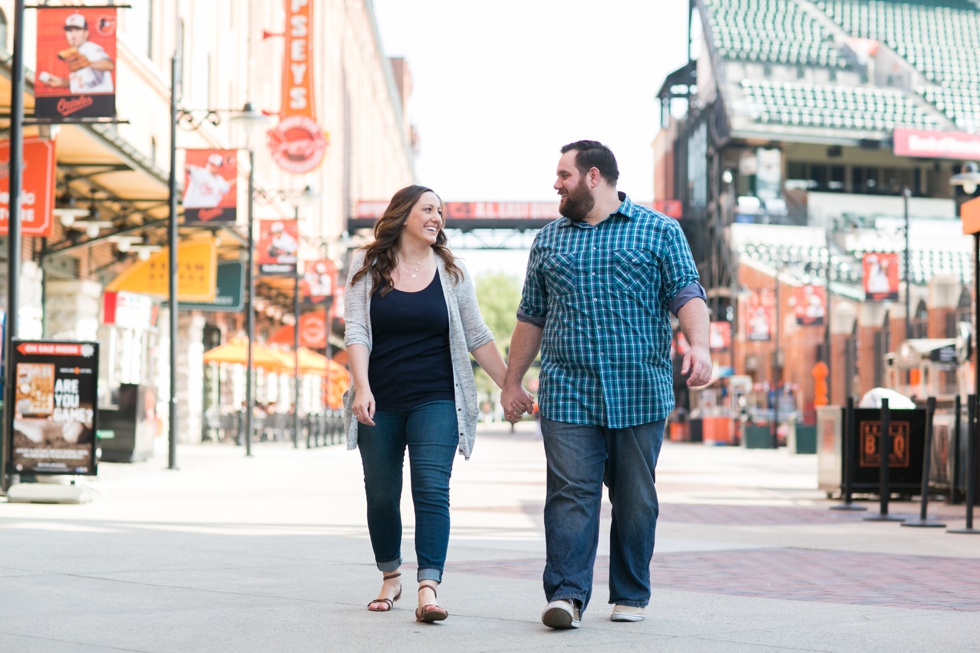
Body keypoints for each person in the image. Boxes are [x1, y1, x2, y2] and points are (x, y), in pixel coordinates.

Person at [500, 140, 712, 629]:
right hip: (568, 394)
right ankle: (567, 596)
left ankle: (631, 592)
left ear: (593, 177)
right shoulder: (550, 240)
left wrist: (698, 347)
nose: (556, 184)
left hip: (641, 391)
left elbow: (687, 294)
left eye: (563, 175)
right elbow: (530, 317)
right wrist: (513, 382)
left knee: (636, 499)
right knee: (571, 495)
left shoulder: (659, 231)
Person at [343, 184, 512, 623]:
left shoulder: (452, 273)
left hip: (437, 398)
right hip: (379, 400)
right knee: (381, 494)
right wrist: (362, 387)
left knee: (432, 490)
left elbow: (477, 335)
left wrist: (511, 385)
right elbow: (357, 330)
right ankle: (391, 574)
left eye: (441, 211)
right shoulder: (366, 265)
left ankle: (428, 586)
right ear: (402, 215)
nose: (437, 217)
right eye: (428, 209)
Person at [38, 13, 114, 93]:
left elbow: (109, 65)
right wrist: (61, 82)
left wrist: (89, 63)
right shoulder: (75, 52)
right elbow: (83, 84)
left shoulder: (90, 48)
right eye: (69, 31)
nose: (73, 35)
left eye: (77, 30)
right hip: (83, 100)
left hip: (99, 99)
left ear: (86, 33)